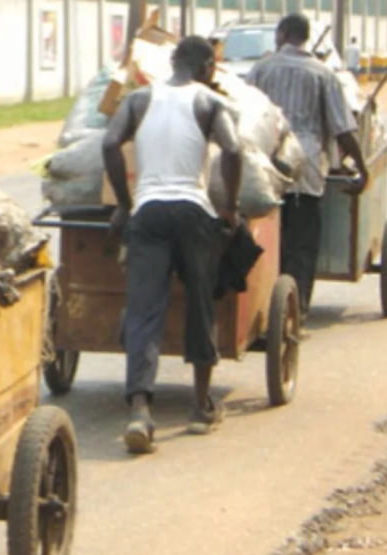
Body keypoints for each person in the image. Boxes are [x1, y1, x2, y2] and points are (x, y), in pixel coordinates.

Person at [103, 36, 243, 454]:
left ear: (173, 63)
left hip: (148, 213)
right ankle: (199, 408)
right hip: (192, 213)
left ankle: (140, 413)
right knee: (201, 302)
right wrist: (231, 208)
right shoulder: (209, 103)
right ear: (207, 69)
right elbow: (233, 149)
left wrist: (125, 206)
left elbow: (110, 144)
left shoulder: (139, 100)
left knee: (145, 310)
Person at [246, 14, 369, 321]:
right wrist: (362, 168)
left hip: (266, 165)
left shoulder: (261, 69)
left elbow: (243, 116)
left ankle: (262, 306)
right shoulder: (323, 74)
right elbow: (342, 128)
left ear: (283, 34)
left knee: (268, 236)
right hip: (307, 167)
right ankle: (295, 311)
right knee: (302, 242)